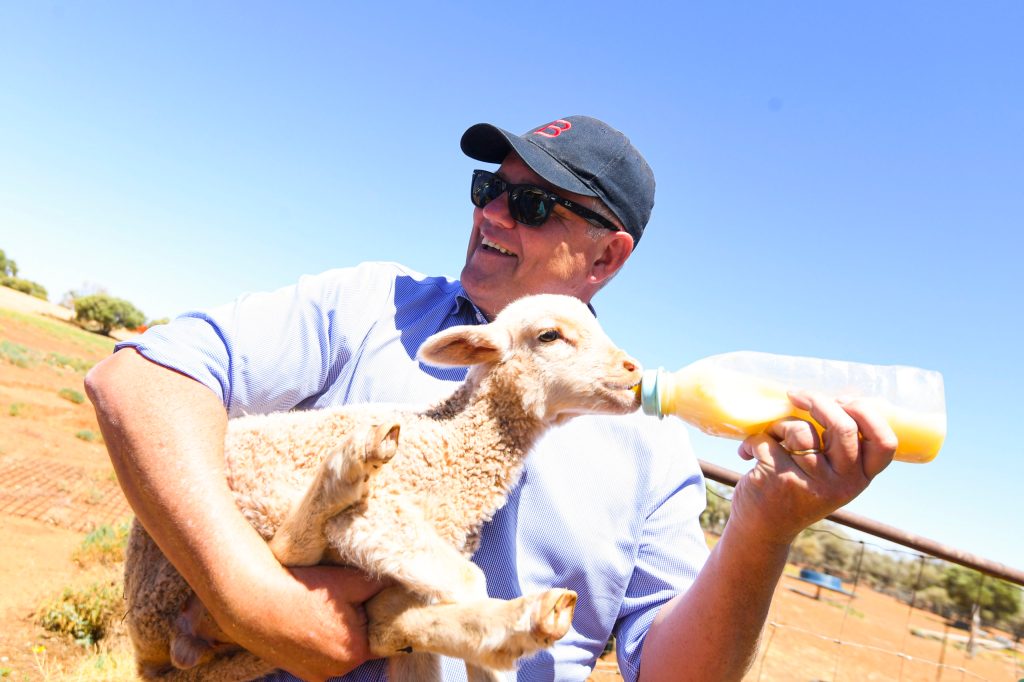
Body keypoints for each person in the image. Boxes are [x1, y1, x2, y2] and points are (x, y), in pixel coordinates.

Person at [85, 115, 895, 681]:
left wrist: (763, 528)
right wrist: (252, 599)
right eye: (488, 187)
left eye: (533, 204)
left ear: (606, 256)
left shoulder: (653, 452)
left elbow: (672, 672)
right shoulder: (370, 309)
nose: (492, 213)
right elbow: (137, 380)